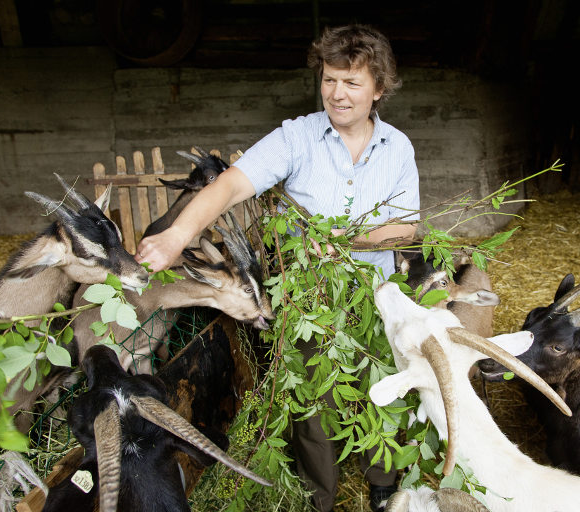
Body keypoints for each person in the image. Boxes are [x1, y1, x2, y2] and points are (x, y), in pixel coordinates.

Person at [135, 24, 420, 512]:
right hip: (307, 300)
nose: (337, 93)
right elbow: (230, 185)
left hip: (376, 296)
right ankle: (320, 498)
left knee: (382, 386)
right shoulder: (297, 138)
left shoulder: (398, 148)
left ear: (379, 88)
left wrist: (343, 239)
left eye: (352, 82)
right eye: (329, 79)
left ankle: (382, 483)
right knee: (312, 403)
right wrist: (177, 235)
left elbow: (406, 228)